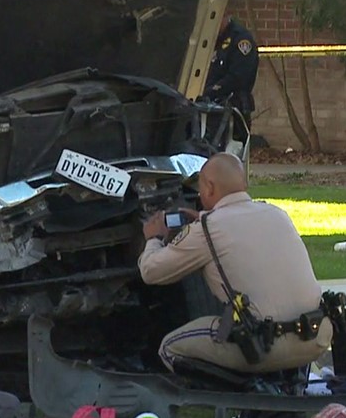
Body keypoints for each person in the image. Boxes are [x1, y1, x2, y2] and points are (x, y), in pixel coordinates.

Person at [139, 153, 332, 374]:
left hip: (260, 347)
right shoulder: (277, 213)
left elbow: (151, 272)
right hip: (316, 336)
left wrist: (153, 238)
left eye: (201, 189)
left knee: (169, 348)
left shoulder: (207, 229)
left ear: (210, 188)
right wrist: (203, 219)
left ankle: (238, 396)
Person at [203, 15, 259, 128]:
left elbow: (239, 77)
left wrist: (210, 90)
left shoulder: (241, 39)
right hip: (208, 106)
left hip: (233, 106)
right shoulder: (210, 39)